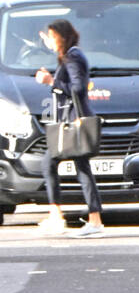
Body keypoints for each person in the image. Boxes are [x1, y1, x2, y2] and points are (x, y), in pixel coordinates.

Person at [34, 19, 105, 237]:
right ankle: (79, 217)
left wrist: (50, 81)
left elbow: (78, 88)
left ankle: (80, 218)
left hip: (74, 122)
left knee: (56, 163)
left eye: (53, 37)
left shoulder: (73, 56)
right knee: (76, 166)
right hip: (72, 122)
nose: (51, 42)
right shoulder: (70, 55)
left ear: (62, 37)